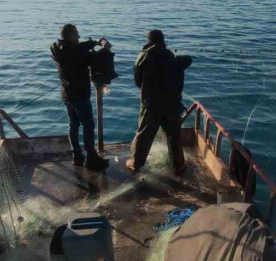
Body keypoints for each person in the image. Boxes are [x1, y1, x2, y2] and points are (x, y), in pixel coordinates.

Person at [126, 30, 192, 175]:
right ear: (163, 40)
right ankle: (178, 166)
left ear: (148, 41)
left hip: (151, 105)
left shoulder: (142, 57)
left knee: (144, 135)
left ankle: (135, 164)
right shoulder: (170, 56)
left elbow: (138, 82)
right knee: (173, 135)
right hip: (172, 104)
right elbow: (185, 62)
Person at [50, 24, 111, 170]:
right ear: (70, 35)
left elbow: (79, 48)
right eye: (76, 34)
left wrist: (94, 42)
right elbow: (93, 58)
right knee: (88, 125)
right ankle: (91, 157)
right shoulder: (74, 52)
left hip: (66, 94)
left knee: (73, 124)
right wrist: (105, 49)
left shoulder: (60, 48)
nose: (78, 36)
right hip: (79, 95)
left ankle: (77, 156)